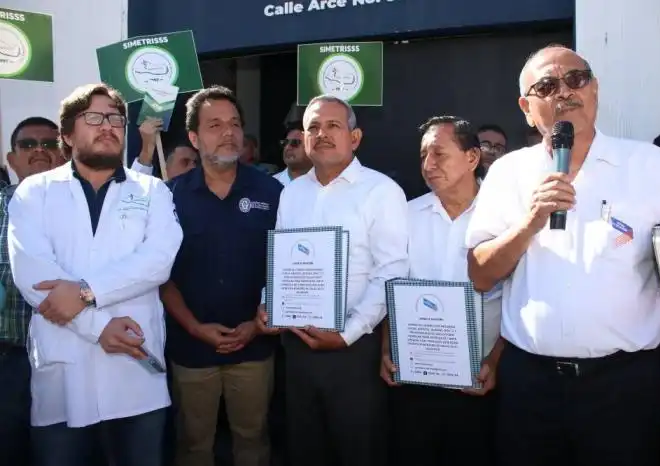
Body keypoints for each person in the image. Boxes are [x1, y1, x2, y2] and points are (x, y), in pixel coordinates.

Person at [465, 44, 660, 466]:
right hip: (530, 388)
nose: (565, 92)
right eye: (547, 85)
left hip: (625, 388)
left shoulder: (650, 166)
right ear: (526, 106)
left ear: (594, 89)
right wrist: (530, 222)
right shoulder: (507, 173)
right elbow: (480, 274)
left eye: (576, 79)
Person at [8, 83, 183, 466]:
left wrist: (86, 292)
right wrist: (98, 327)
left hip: (135, 374)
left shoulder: (153, 191)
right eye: (93, 117)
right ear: (67, 135)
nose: (108, 126)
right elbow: (34, 277)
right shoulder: (33, 193)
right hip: (63, 373)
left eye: (115, 118)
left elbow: (157, 261)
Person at [257, 94, 409, 466]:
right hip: (297, 349)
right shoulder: (291, 193)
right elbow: (282, 260)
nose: (321, 134)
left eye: (332, 126)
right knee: (306, 449)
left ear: (354, 138)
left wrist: (348, 333)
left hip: (353, 352)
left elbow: (391, 271)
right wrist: (268, 301)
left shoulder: (381, 192)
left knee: (358, 449)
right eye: (312, 127)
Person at [160, 86, 281, 466]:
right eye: (214, 125)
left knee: (253, 442)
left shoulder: (273, 192)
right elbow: (161, 277)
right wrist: (195, 327)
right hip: (191, 349)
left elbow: (290, 268)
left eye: (234, 124)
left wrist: (256, 324)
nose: (228, 132)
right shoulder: (168, 197)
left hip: (255, 348)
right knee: (194, 447)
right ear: (194, 138)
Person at [380, 116, 502, 466]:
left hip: (479, 383)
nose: (428, 165)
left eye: (438, 154)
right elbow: (392, 287)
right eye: (423, 156)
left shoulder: (504, 219)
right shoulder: (406, 215)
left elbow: (518, 297)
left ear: (472, 158)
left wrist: (495, 364)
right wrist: (387, 347)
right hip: (415, 382)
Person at [0, 116, 66, 466]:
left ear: (64, 154)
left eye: (49, 144)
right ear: (11, 159)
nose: (39, 150)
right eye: (28, 144)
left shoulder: (81, 212)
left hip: (66, 356)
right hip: (8, 360)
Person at [131, 118, 198, 179]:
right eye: (185, 161)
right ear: (165, 165)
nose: (193, 167)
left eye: (196, 163)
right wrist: (147, 150)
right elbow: (137, 189)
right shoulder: (155, 190)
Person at [274, 121, 312, 186]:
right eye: (285, 143)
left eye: (295, 143)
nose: (287, 147)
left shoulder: (327, 184)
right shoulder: (270, 184)